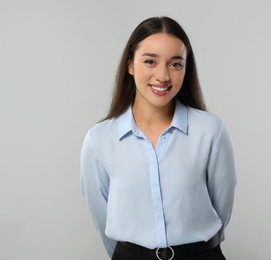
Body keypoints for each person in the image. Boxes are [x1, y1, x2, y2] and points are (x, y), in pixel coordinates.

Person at [80, 16, 236, 260]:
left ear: (186, 67)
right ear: (130, 64)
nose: (163, 76)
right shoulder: (99, 139)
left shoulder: (210, 130)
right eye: (150, 61)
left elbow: (222, 208)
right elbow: (101, 216)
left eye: (175, 64)